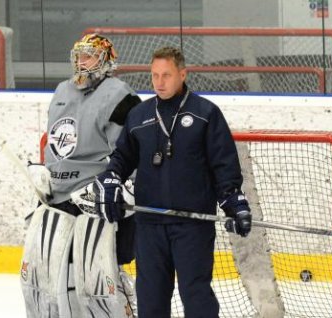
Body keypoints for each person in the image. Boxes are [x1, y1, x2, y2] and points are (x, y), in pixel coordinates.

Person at [93, 46, 253, 318]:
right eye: (154, 75)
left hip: (193, 223)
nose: (159, 82)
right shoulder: (139, 115)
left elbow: (223, 164)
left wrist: (233, 201)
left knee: (196, 294)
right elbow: (122, 157)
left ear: (182, 74)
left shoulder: (206, 113)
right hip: (149, 225)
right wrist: (110, 179)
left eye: (166, 75)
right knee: (151, 296)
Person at [20, 33, 141, 318]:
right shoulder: (63, 90)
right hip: (58, 198)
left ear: (106, 60)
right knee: (44, 279)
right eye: (79, 55)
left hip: (95, 200)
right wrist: (44, 172)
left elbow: (131, 149)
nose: (81, 61)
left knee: (98, 281)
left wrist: (128, 186)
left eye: (89, 55)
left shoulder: (119, 94)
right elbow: (56, 143)